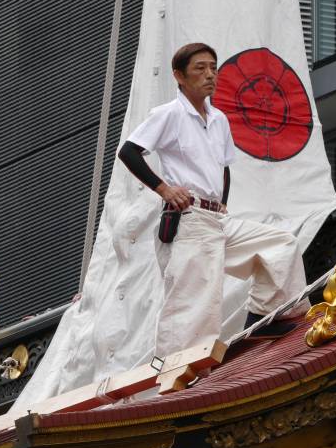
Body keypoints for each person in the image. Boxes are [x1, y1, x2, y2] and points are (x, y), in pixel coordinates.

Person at [116, 42, 308, 357]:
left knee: (281, 245)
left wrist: (223, 201)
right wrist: (164, 189)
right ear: (179, 75)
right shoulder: (169, 114)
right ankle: (180, 375)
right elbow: (129, 151)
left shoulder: (218, 119)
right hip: (189, 221)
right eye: (200, 68)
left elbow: (224, 166)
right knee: (196, 306)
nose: (210, 75)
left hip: (215, 218)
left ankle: (265, 319)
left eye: (213, 68)